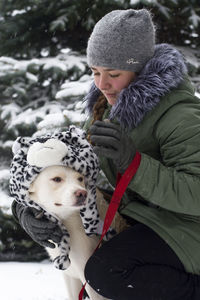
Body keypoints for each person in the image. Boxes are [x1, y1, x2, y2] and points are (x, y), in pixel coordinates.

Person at [12, 8, 200, 300]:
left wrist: (134, 165)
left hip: (188, 229)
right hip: (144, 219)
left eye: (113, 73)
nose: (101, 84)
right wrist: (28, 207)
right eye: (95, 72)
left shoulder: (181, 115)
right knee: (87, 257)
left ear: (141, 70)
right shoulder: (109, 109)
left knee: (105, 272)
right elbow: (72, 169)